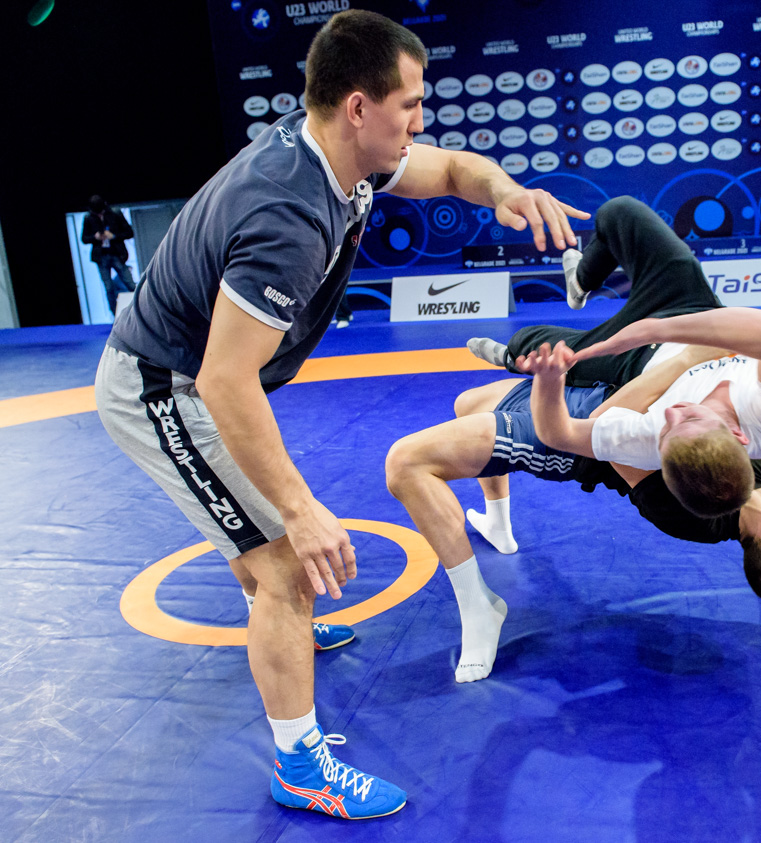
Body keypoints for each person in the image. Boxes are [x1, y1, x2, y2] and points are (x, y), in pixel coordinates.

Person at [94, 10, 588, 821]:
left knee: (266, 544)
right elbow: (225, 381)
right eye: (410, 105)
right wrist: (299, 510)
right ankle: (301, 767)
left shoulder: (340, 155)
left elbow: (454, 169)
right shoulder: (287, 214)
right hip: (164, 390)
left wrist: (506, 192)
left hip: (201, 375)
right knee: (290, 564)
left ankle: (272, 611)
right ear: (358, 106)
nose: (420, 122)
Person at [387, 197, 761, 684]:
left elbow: (599, 427)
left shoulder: (675, 485)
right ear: (738, 436)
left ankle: (481, 597)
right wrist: (681, 340)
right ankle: (577, 288)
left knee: (491, 388)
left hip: (616, 401)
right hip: (676, 333)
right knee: (620, 215)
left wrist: (684, 360)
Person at [475, 197, 761, 519]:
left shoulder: (654, 442)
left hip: (637, 362)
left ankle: (511, 356)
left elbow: (558, 434)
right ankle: (581, 281)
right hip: (694, 313)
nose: (671, 413)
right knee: (620, 213)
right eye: (691, 419)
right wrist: (657, 329)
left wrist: (549, 381)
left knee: (529, 343)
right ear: (738, 435)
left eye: (666, 432)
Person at [81, 195, 136, 315]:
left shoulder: (115, 213)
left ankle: (142, 310)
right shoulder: (88, 217)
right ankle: (115, 316)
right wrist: (95, 237)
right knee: (109, 288)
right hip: (101, 256)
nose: (98, 214)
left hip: (117, 254)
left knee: (130, 284)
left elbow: (129, 232)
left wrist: (114, 236)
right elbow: (84, 238)